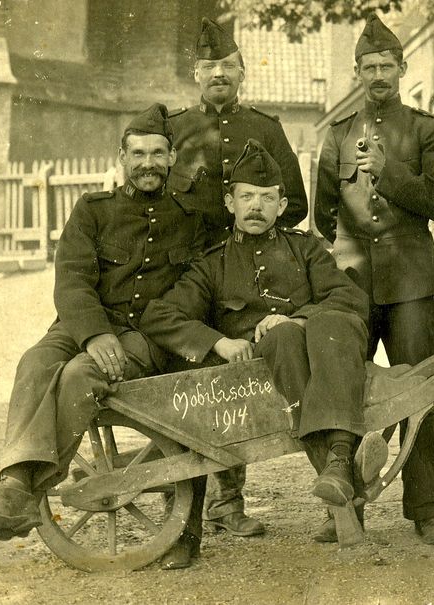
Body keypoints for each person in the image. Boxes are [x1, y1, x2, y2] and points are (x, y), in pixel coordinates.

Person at [0, 104, 207, 553]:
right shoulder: (93, 211)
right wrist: (94, 334)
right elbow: (72, 280)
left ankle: (30, 491)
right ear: (122, 158)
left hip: (146, 336)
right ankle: (16, 481)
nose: (148, 163)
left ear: (172, 159)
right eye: (138, 154)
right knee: (36, 361)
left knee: (80, 375)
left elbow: (199, 287)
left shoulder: (191, 219)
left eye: (157, 154)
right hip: (87, 322)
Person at [140, 139, 372, 568]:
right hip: (243, 382)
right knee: (263, 353)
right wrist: (219, 342)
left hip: (308, 365)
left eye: (267, 198)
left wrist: (298, 320)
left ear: (282, 205)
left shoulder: (305, 251)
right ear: (229, 202)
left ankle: (338, 462)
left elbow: (347, 297)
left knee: (332, 320)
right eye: (246, 196)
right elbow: (161, 315)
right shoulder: (213, 264)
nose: (256, 207)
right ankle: (185, 534)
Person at [314, 14, 434, 546]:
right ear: (357, 72)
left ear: (402, 69)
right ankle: (345, 506)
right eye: (369, 66)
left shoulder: (427, 129)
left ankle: (427, 509)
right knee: (344, 392)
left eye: (387, 65)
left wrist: (393, 174)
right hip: (351, 286)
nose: (379, 74)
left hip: (410, 285)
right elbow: (321, 214)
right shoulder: (335, 137)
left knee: (416, 394)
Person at [166, 18, 309, 537]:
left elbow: (293, 205)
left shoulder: (266, 128)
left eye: (228, 65)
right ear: (195, 74)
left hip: (244, 275)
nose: (218, 74)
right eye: (209, 66)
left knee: (236, 380)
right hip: (189, 272)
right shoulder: (175, 130)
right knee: (195, 380)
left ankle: (227, 502)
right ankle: (186, 510)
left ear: (243, 72)